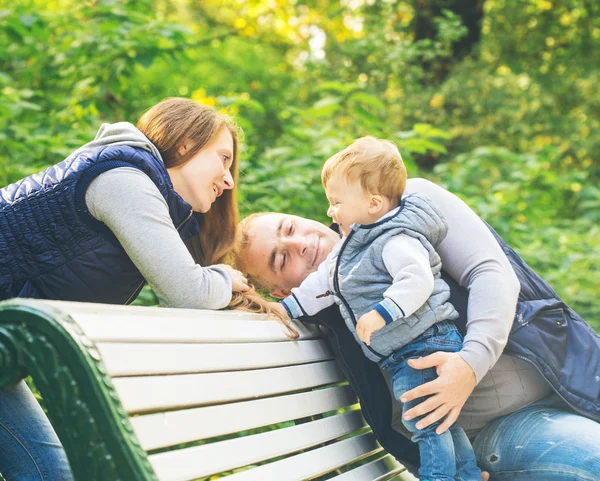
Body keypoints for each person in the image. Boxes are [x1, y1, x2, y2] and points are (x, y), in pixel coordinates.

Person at [235, 174, 600, 480]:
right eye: (281, 259)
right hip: (502, 429)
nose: (300, 244)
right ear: (283, 290)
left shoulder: (401, 207)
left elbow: (491, 272)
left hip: (570, 374)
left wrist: (469, 366)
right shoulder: (329, 315)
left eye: (291, 227)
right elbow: (394, 419)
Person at [0, 97, 258, 480]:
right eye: (223, 158)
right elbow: (186, 292)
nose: (229, 178)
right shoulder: (123, 179)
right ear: (186, 142)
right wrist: (224, 278)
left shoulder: (150, 197)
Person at [274, 137, 482, 481]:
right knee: (438, 419)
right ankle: (467, 474)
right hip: (405, 350)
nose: (330, 211)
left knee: (424, 421)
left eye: (336, 202)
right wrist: (284, 308)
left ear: (372, 203)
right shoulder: (350, 250)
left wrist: (382, 313)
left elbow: (417, 280)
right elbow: (318, 287)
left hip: (425, 343)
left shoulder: (394, 239)